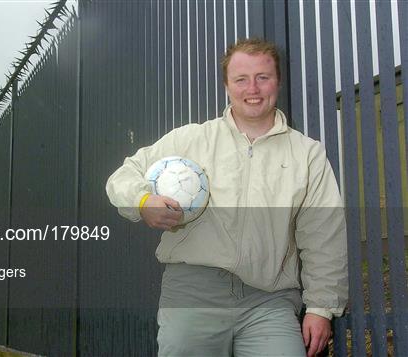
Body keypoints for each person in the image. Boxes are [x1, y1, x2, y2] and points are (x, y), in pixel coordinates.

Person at [106, 38, 348, 357]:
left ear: (278, 81)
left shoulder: (307, 155)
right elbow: (122, 177)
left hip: (270, 300)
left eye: (263, 77)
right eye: (241, 79)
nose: (253, 88)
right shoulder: (191, 139)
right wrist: (142, 202)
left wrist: (320, 306)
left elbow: (323, 235)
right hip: (193, 293)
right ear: (226, 85)